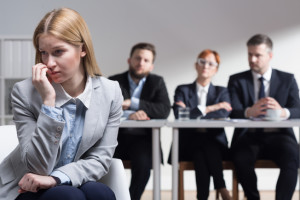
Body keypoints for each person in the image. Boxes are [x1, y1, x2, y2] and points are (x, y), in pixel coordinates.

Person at [0, 8, 123, 200]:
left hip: (72, 181)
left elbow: (100, 159)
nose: (49, 63)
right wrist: (49, 103)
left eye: (58, 52)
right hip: (25, 186)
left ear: (83, 49)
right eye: (43, 53)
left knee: (101, 193)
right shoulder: (23, 93)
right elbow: (37, 167)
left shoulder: (110, 92)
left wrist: (57, 178)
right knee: (68, 196)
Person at [228, 34, 300, 200]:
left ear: (270, 56)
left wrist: (283, 112)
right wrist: (248, 112)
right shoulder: (237, 80)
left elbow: (298, 109)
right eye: (249, 54)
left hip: (280, 135)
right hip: (249, 136)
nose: (252, 59)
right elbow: (231, 110)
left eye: (257, 55)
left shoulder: (287, 79)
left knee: (293, 156)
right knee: (240, 158)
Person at [109, 42, 171, 200]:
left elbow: (163, 110)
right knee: (102, 163)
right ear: (129, 60)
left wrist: (132, 103)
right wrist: (129, 115)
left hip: (144, 139)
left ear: (151, 66)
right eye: (137, 58)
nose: (141, 63)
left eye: (146, 60)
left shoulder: (157, 82)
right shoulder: (114, 81)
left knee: (144, 165)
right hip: (117, 138)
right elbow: (105, 109)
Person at [170, 49, 232, 200]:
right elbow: (179, 114)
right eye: (202, 62)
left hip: (215, 144)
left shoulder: (221, 91)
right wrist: (211, 108)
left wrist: (193, 112)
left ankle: (202, 197)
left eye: (211, 64)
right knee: (201, 146)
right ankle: (222, 187)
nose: (206, 66)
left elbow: (223, 114)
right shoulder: (183, 89)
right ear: (195, 65)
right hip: (187, 144)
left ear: (216, 69)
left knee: (203, 149)